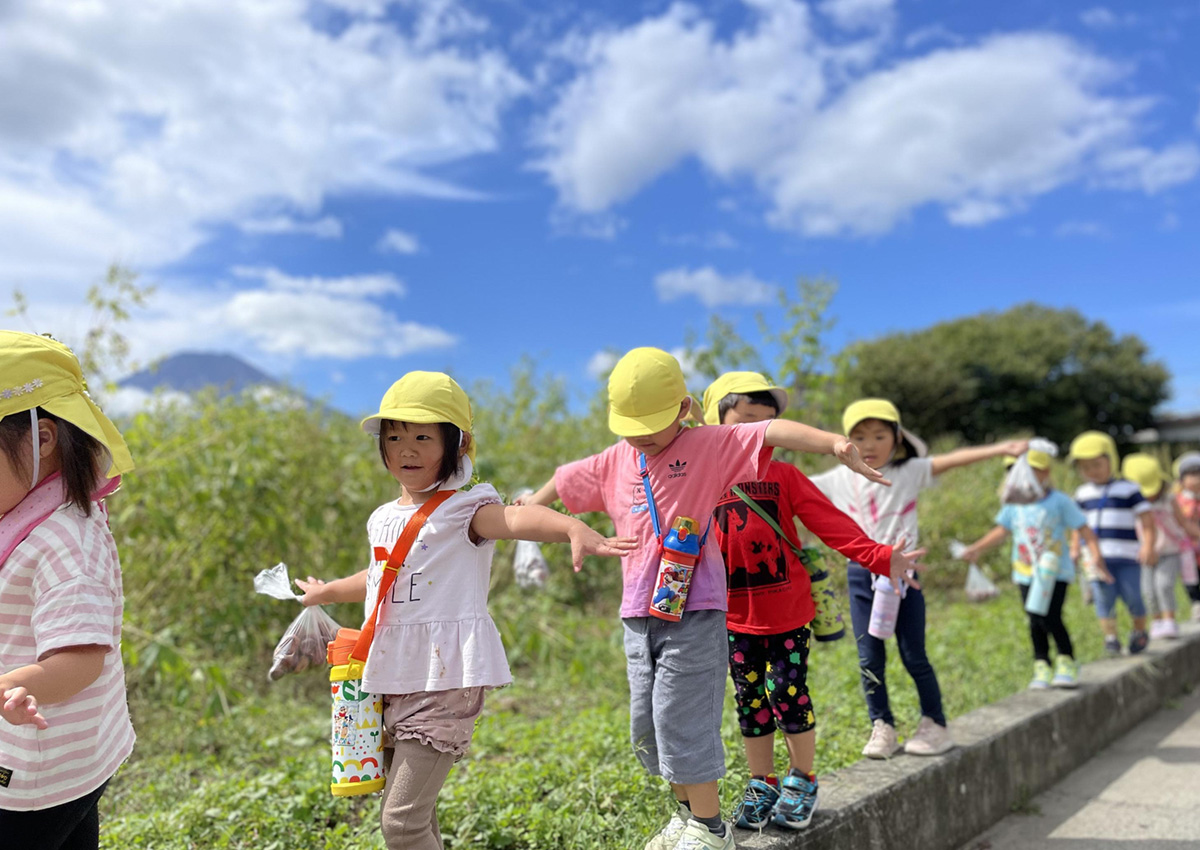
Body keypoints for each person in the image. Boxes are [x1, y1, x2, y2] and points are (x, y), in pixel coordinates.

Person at [519, 349, 907, 850]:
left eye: (652, 424)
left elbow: (778, 441)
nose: (640, 434)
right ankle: (709, 805)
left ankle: (741, 808)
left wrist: (836, 445)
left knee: (737, 706)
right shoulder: (620, 457)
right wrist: (532, 507)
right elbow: (570, 477)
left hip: (722, 611)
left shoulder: (711, 450)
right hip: (657, 614)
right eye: (630, 424)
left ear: (684, 410)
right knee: (668, 721)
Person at [296, 372, 635, 850]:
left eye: (421, 437)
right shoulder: (382, 517)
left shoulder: (465, 508)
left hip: (444, 677)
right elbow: (381, 580)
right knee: (416, 815)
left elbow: (516, 519)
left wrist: (570, 527)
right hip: (391, 677)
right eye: (394, 437)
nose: (406, 449)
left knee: (401, 824)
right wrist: (329, 591)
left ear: (455, 444)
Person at [702, 373, 924, 832]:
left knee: (788, 695)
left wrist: (882, 557)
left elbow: (830, 523)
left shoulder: (784, 475)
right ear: (716, 423)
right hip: (733, 616)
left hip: (787, 613)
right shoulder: (701, 479)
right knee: (749, 702)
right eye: (747, 425)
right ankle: (762, 782)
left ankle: (801, 778)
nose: (760, 437)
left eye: (768, 426)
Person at [811, 399, 1026, 759]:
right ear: (845, 442)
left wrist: (1002, 448)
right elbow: (785, 485)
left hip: (904, 576)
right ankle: (882, 726)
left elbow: (954, 459)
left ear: (897, 438)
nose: (870, 444)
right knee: (869, 658)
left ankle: (936, 724)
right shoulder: (835, 480)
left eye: (880, 435)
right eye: (859, 436)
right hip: (862, 575)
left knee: (914, 655)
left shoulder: (909, 471)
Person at [0, 331, 137, 850]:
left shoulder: (65, 541)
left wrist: (8, 687)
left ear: (41, 439)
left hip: (32, 770)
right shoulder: (22, 513)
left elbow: (79, 661)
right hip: (75, 757)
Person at [959, 447, 1106, 689]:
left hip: (1055, 571)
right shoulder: (1014, 504)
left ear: (1045, 472)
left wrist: (1096, 553)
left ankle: (1066, 660)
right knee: (1034, 618)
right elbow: (1002, 530)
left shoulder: (1059, 501)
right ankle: (1041, 664)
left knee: (1051, 616)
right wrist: (977, 548)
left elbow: (1084, 529)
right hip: (1025, 572)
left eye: (1026, 471)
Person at [1068, 432, 1154, 656]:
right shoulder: (1082, 493)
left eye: (1097, 464)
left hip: (1126, 555)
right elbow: (1077, 524)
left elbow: (1147, 520)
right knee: (1103, 598)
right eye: (1085, 468)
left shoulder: (1129, 489)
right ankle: (1111, 638)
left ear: (1111, 460)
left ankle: (1139, 631)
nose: (1092, 471)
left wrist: (1148, 546)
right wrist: (1075, 547)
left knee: (1133, 595)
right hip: (1096, 558)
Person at [1122, 454, 1200, 640]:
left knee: (1164, 585)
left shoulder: (1169, 500)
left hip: (1170, 550)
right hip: (1145, 553)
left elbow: (1183, 523)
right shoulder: (1130, 504)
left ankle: (1169, 620)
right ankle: (1156, 622)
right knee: (1148, 590)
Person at [1173, 452, 1200, 622]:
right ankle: (1196, 604)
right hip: (1188, 549)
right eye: (1192, 475)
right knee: (1191, 579)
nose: (1196, 480)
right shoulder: (1179, 500)